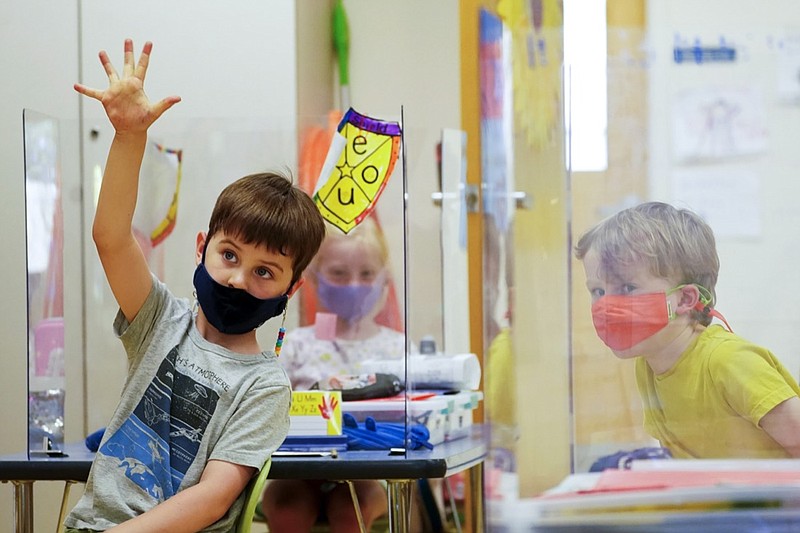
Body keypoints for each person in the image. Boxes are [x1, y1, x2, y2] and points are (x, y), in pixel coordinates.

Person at [64, 39, 325, 532]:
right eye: (229, 256)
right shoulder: (162, 320)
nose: (237, 279)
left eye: (264, 272)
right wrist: (128, 137)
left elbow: (210, 499)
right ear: (202, 246)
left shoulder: (265, 386)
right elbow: (111, 238)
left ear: (293, 288)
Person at [574, 201, 800, 459]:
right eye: (598, 291)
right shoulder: (648, 366)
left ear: (684, 300)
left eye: (627, 288)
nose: (606, 305)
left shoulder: (728, 361)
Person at [261, 215, 407, 533]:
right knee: (287, 513)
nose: (354, 285)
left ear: (384, 278)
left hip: (368, 472)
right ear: (314, 276)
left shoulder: (397, 350)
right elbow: (269, 408)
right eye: (339, 274)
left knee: (351, 512)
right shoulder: (298, 344)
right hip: (298, 469)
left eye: (367, 273)